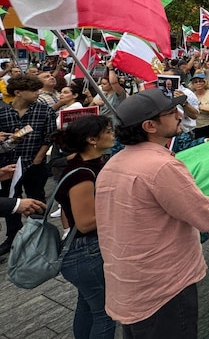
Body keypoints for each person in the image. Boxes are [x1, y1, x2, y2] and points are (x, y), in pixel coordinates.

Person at [95, 89, 209, 337]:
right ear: (150, 126)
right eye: (171, 112)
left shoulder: (114, 163)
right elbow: (208, 217)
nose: (180, 115)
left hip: (130, 285)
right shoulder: (161, 166)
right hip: (164, 289)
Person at [53, 115, 117, 339]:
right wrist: (123, 209)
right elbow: (85, 222)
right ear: (92, 139)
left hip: (84, 250)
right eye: (107, 131)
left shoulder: (90, 165)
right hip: (87, 252)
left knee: (88, 306)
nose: (112, 134)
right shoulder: (82, 174)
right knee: (104, 314)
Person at [0, 74, 58, 256]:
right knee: (12, 201)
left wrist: (38, 159)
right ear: (18, 92)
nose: (37, 93)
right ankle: (13, 237)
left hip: (34, 163)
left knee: (37, 199)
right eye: (33, 90)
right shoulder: (2, 112)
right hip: (8, 166)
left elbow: (49, 136)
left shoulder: (44, 111)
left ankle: (38, 237)